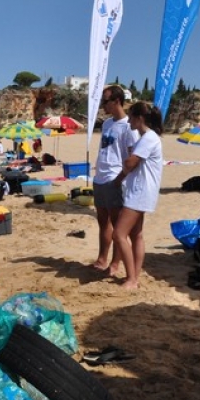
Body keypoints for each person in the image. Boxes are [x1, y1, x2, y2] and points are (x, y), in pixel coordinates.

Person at [111, 101, 163, 290]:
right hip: (141, 190)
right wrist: (120, 178)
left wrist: (124, 168)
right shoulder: (148, 137)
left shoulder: (148, 137)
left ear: (139, 118)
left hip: (140, 192)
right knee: (136, 234)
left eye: (131, 117)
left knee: (119, 234)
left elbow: (131, 162)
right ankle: (135, 275)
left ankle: (132, 279)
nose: (129, 121)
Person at [91, 85, 139, 273]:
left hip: (115, 178)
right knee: (103, 222)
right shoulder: (106, 124)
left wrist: (121, 179)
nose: (103, 105)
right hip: (100, 177)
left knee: (118, 226)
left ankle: (115, 262)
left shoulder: (129, 127)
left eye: (106, 101)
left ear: (117, 101)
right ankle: (102, 258)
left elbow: (132, 157)